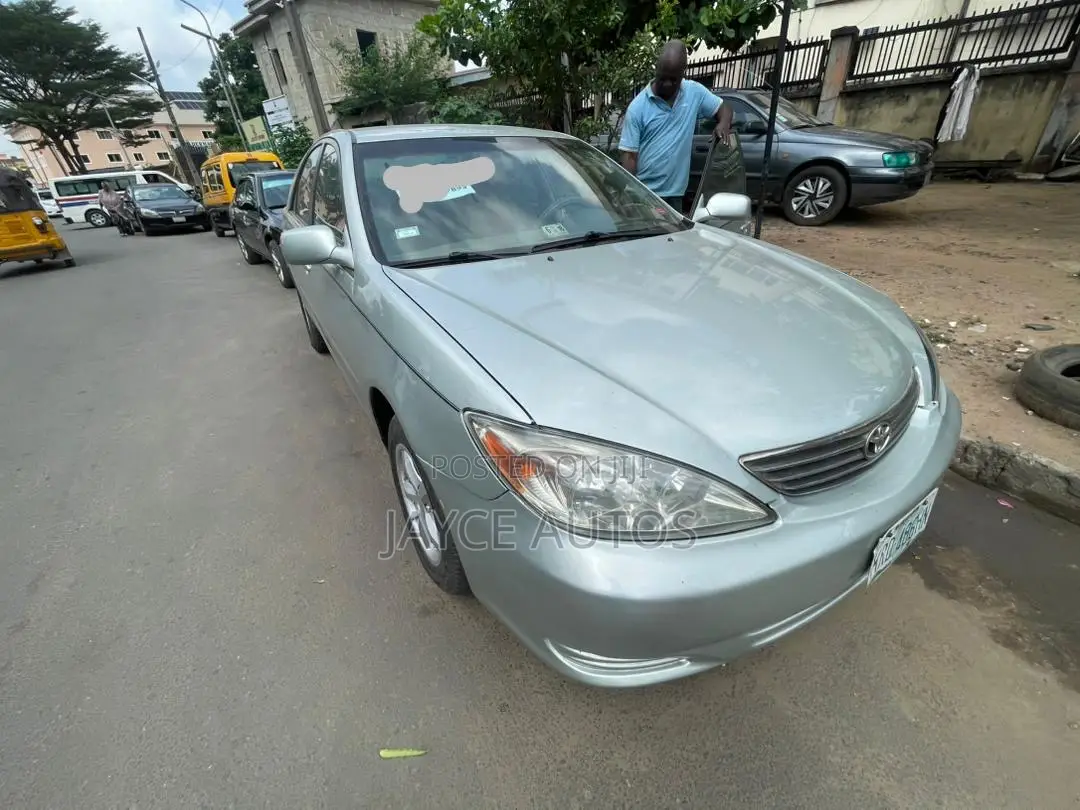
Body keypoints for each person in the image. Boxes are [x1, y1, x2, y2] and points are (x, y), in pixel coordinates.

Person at [619, 40, 733, 214]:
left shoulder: (694, 93)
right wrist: (630, 196)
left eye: (673, 80)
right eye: (662, 77)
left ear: (683, 73)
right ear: (656, 70)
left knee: (673, 240)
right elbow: (630, 157)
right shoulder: (638, 108)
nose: (667, 84)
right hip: (646, 194)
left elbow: (724, 108)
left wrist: (724, 123)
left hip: (676, 195)